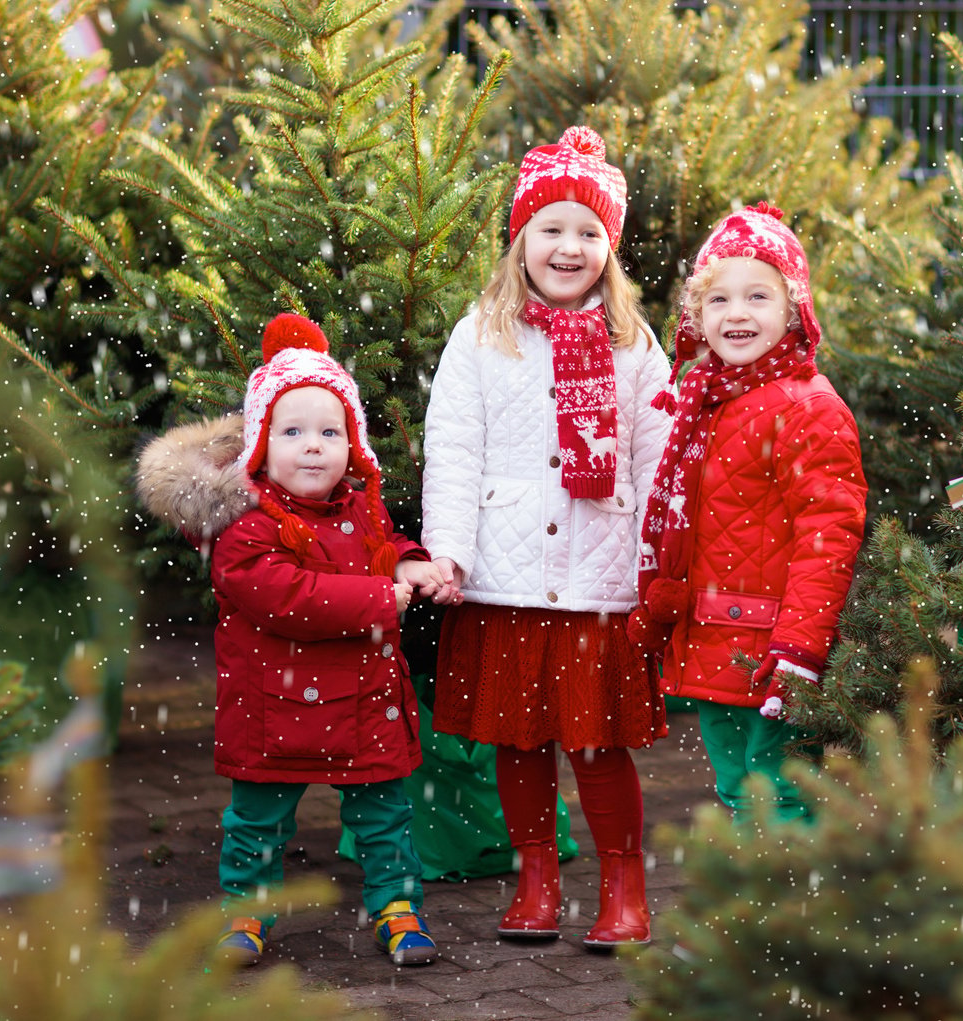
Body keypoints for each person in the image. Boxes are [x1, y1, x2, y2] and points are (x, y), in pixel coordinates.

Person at [135, 314, 453, 967]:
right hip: (273, 709)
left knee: (384, 815)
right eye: (293, 432)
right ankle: (246, 908)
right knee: (257, 821)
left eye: (330, 432)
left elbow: (377, 548)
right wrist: (375, 598)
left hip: (363, 704)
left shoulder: (361, 505)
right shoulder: (246, 528)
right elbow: (285, 595)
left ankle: (396, 903)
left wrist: (407, 560)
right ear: (261, 444)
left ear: (352, 444)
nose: (313, 446)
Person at [422, 126, 673, 950]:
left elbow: (657, 458)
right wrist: (448, 551)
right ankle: (536, 881)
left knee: (597, 745)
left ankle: (623, 888)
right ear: (519, 238)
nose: (569, 248)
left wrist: (655, 566)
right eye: (551, 229)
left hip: (599, 584)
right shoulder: (481, 336)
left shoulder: (633, 345)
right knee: (519, 741)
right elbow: (454, 451)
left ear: (612, 246)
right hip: (506, 575)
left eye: (589, 232)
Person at [627, 202, 868, 823]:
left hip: (774, 649)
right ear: (697, 317)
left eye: (758, 296)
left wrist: (800, 648)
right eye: (719, 300)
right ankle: (755, 907)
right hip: (713, 639)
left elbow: (829, 535)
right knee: (738, 788)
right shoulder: (704, 401)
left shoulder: (808, 408)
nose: (737, 314)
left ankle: (791, 912)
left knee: (779, 790)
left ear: (794, 310)